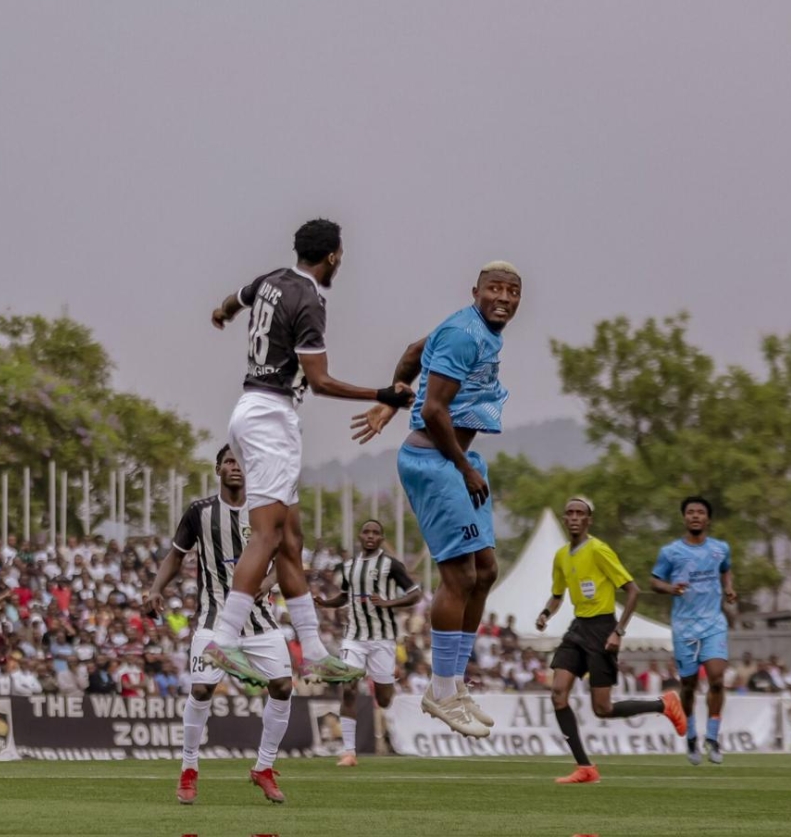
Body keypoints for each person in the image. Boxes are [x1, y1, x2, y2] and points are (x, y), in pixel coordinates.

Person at [202, 219, 414, 688]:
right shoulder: (310, 300)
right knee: (268, 536)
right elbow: (319, 381)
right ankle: (224, 638)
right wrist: (384, 393)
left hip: (253, 411)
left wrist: (221, 313)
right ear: (333, 256)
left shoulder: (272, 280)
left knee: (291, 538)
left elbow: (235, 300)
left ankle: (314, 651)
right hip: (271, 418)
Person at [351, 262, 523, 737]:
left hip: (459, 462)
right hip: (436, 463)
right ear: (476, 292)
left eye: (512, 291)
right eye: (495, 288)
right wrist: (463, 467)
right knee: (460, 576)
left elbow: (412, 353)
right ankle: (441, 690)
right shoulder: (464, 334)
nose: (504, 297)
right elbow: (432, 409)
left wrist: (390, 396)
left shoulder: (476, 330)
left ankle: (453, 683)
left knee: (486, 570)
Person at [145, 445, 293, 806]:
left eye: (241, 463)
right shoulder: (199, 512)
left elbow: (289, 558)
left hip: (259, 621)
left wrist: (269, 582)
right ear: (218, 469)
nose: (236, 468)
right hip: (215, 618)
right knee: (200, 690)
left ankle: (264, 767)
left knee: (284, 686)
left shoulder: (267, 511)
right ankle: (189, 769)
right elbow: (176, 556)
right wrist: (154, 589)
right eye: (229, 462)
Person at [536, 496, 687, 784]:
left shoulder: (599, 550)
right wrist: (545, 613)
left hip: (603, 628)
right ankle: (585, 768)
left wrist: (618, 631)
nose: (575, 517)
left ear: (589, 520)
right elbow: (557, 596)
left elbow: (633, 591)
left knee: (602, 708)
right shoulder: (561, 556)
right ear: (565, 519)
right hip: (578, 628)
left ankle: (664, 704)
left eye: (581, 513)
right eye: (570, 513)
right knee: (557, 694)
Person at [314, 519, 420, 767]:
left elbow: (415, 593)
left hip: (382, 639)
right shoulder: (349, 566)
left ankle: (388, 692)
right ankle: (349, 752)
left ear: (381, 539)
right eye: (366, 532)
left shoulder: (391, 565)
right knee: (349, 687)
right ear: (360, 537)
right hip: (354, 637)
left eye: (375, 533)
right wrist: (325, 602)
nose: (370, 536)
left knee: (383, 699)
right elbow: (344, 596)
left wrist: (388, 603)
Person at [651, 495, 736, 766]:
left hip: (713, 622)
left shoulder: (720, 548)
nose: (695, 516)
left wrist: (729, 588)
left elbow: (726, 570)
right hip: (684, 626)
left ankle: (712, 737)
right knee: (688, 685)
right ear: (684, 518)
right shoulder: (671, 552)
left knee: (717, 678)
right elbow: (654, 582)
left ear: (708, 519)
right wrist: (670, 588)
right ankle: (691, 737)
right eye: (690, 512)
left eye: (700, 512)